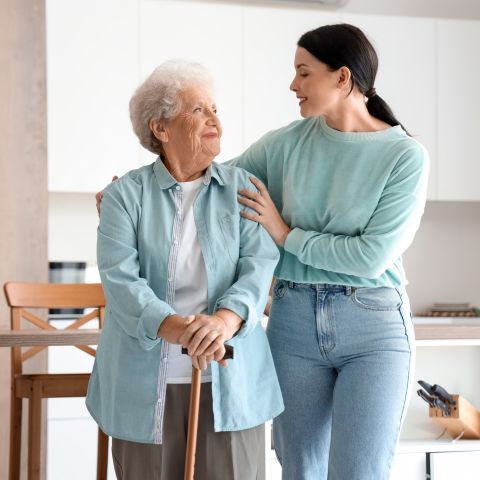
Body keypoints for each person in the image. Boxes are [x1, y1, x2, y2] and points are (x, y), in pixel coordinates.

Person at [97, 24, 429, 480]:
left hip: (371, 323)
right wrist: (128, 194)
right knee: (299, 469)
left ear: (342, 77)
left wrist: (285, 233)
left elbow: (370, 257)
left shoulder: (405, 156)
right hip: (293, 319)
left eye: (303, 73)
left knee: (360, 472)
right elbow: (203, 177)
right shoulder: (287, 143)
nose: (293, 85)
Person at [86, 59, 283, 480]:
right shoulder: (124, 196)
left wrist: (223, 324)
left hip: (231, 381)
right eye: (198, 110)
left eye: (215, 109)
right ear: (160, 127)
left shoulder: (243, 188)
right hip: (142, 386)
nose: (215, 120)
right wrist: (183, 330)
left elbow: (258, 267)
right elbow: (121, 281)